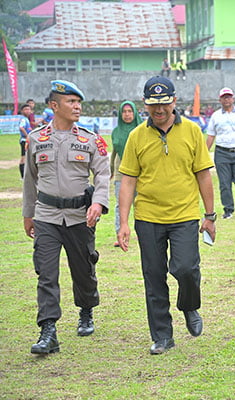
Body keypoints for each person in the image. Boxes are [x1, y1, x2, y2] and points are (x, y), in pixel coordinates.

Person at [117, 76, 216, 355]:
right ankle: (162, 335)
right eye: (152, 105)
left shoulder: (193, 132)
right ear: (144, 105)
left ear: (174, 101)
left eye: (163, 104)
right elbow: (127, 181)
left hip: (184, 215)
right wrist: (123, 222)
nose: (158, 110)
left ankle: (189, 306)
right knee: (154, 276)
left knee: (186, 269)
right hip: (148, 217)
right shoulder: (137, 136)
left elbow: (203, 175)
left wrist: (210, 216)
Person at [22, 80, 110, 354]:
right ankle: (48, 330)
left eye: (78, 102)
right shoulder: (37, 139)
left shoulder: (90, 139)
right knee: (46, 273)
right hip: (46, 216)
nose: (77, 107)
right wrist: (28, 214)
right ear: (54, 105)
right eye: (71, 102)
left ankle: (86, 310)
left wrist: (98, 203)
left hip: (79, 217)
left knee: (83, 271)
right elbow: (29, 180)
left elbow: (104, 174)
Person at [206, 87, 235, 219]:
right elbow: (210, 137)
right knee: (224, 184)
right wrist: (203, 154)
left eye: (229, 97)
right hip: (222, 152)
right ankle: (228, 210)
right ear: (220, 99)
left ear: (233, 98)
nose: (227, 99)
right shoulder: (216, 116)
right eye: (224, 97)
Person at [110, 101, 143, 247]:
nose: (127, 114)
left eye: (130, 111)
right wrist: (111, 171)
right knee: (120, 204)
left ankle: (142, 233)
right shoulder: (116, 132)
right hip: (121, 172)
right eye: (124, 112)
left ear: (135, 112)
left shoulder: (143, 129)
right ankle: (120, 233)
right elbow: (114, 153)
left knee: (140, 204)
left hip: (141, 172)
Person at [18, 103, 33, 178]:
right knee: (23, 158)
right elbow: (21, 127)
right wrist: (27, 136)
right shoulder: (23, 119)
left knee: (27, 158)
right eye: (26, 109)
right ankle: (22, 176)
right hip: (24, 140)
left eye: (29, 109)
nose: (28, 111)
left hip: (26, 140)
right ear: (22, 111)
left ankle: (25, 175)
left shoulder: (26, 119)